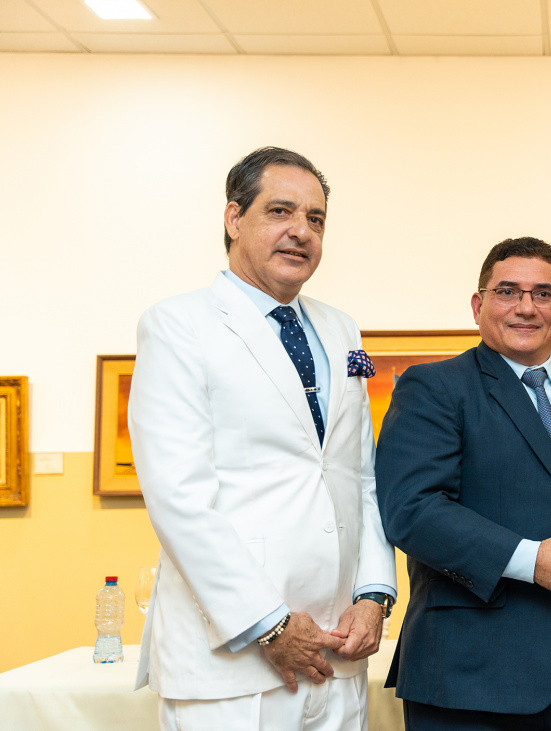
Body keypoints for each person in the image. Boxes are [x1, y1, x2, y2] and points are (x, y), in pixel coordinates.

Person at [128, 146, 397, 729]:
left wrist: (375, 593)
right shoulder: (178, 325)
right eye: (280, 211)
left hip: (338, 651)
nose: (301, 231)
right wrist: (269, 623)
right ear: (233, 218)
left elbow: (358, 473)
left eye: (316, 219)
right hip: (233, 660)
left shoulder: (341, 328)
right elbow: (178, 497)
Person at [375, 237, 551, 730]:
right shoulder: (433, 387)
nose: (526, 307)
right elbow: (413, 510)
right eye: (507, 291)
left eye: (543, 293)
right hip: (471, 675)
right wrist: (532, 562)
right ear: (478, 305)